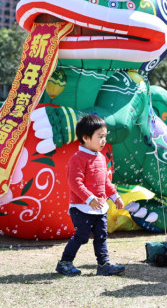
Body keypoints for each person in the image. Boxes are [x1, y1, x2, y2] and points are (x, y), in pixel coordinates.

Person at [56, 114, 125, 277]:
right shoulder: (78, 158)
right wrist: (88, 198)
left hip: (100, 207)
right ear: (86, 137)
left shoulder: (101, 158)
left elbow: (105, 181)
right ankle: (64, 263)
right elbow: (74, 182)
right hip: (81, 207)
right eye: (99, 136)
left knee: (101, 236)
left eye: (105, 136)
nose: (103, 140)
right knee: (81, 236)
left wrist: (115, 196)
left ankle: (104, 265)